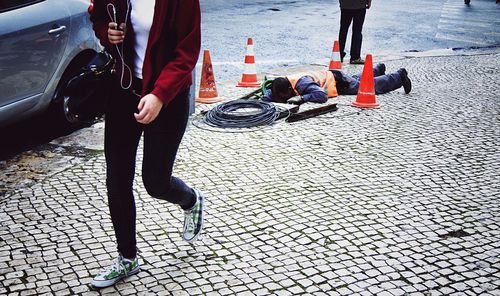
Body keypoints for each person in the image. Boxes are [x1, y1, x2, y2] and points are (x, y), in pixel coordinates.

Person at [89, 0, 204, 288]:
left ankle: (191, 200)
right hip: (124, 90)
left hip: (169, 96)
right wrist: (107, 32)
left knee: (156, 182)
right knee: (117, 178)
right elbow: (98, 15)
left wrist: (160, 95)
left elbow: (186, 53)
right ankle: (127, 258)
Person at [262, 63, 411, 104]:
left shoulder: (301, 85)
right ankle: (376, 70)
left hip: (338, 82)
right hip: (334, 75)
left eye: (283, 97)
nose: (282, 99)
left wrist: (302, 98)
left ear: (290, 89)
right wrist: (265, 100)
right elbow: (273, 94)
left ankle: (398, 76)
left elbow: (321, 95)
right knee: (356, 80)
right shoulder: (282, 85)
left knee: (366, 88)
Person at [338, 0, 372, 64]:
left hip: (345, 5)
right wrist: (369, 1)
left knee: (343, 30)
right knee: (357, 31)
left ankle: (338, 56)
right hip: (360, 5)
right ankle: (355, 57)